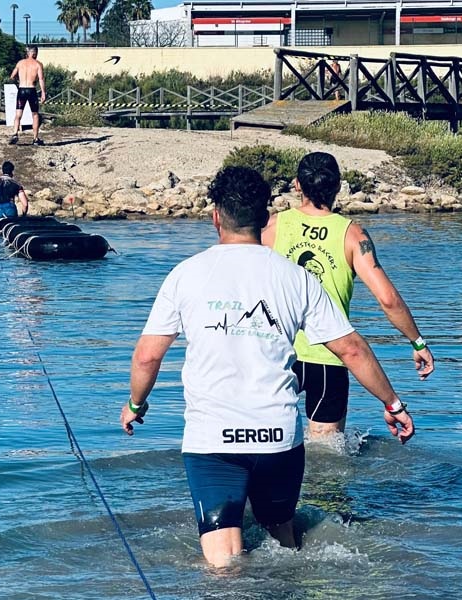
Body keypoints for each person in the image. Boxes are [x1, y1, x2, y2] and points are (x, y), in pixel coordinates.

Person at [122, 166, 414, 568]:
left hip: (214, 444)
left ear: (215, 217)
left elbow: (147, 356)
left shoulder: (185, 274)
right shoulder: (296, 279)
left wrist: (136, 404)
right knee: (283, 541)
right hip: (277, 439)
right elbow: (351, 349)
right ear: (264, 218)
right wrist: (393, 404)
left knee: (224, 566)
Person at [262, 152, 433, 438]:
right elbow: (387, 298)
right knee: (326, 462)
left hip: (275, 353)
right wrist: (417, 343)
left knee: (268, 447)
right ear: (338, 187)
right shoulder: (353, 236)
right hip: (330, 356)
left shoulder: (270, 227)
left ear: (296, 185)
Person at [9, 46, 46, 146]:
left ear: (28, 53)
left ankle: (15, 133)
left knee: (18, 114)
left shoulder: (20, 63)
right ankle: (35, 139)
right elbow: (41, 79)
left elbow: (12, 76)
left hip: (21, 90)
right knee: (35, 114)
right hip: (31, 90)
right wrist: (43, 92)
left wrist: (19, 82)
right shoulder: (38, 64)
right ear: (34, 53)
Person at [0, 161, 30, 225]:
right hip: (10, 211)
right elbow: (25, 204)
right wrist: (23, 217)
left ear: (2, 170)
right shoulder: (17, 184)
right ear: (12, 172)